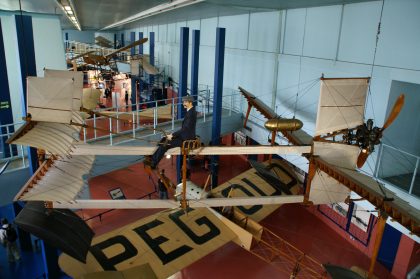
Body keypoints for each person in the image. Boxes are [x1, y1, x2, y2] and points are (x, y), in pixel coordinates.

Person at [145, 95, 197, 169]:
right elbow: (185, 129)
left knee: (165, 144)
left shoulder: (191, 113)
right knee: (164, 139)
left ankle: (153, 163)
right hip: (184, 136)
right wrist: (172, 135)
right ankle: (153, 157)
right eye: (183, 102)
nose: (183, 104)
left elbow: (185, 128)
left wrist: (172, 135)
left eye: (185, 102)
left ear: (190, 102)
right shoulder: (190, 112)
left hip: (186, 140)